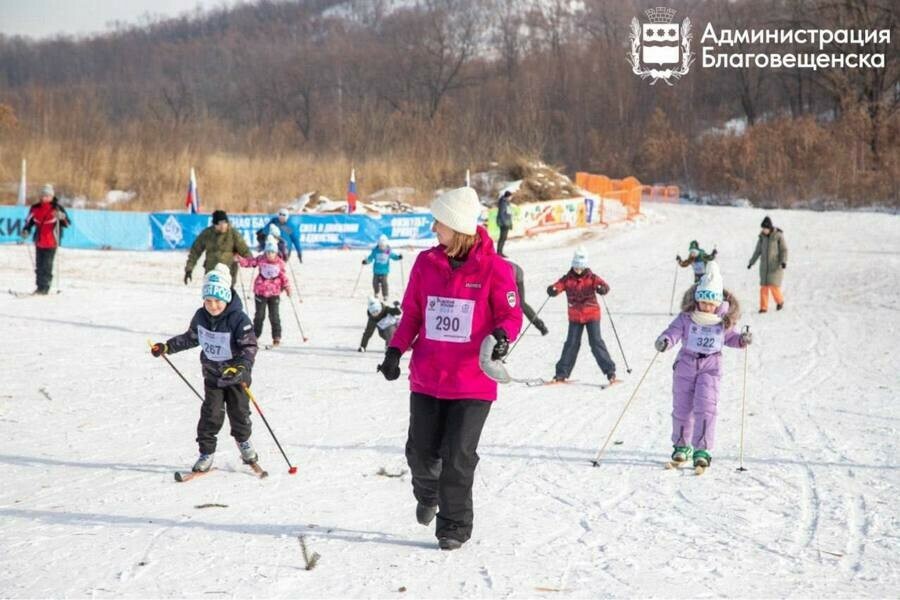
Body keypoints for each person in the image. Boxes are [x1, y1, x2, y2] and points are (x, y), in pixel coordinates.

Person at [376, 186, 523, 551]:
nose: (433, 229)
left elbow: (510, 313)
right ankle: (428, 494)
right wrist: (395, 350)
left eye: (438, 223)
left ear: (456, 226)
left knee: (458, 456)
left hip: (472, 382)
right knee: (420, 453)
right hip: (427, 377)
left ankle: (453, 526)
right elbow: (412, 314)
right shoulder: (426, 263)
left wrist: (502, 335)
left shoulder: (494, 268)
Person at [150, 264, 259, 473]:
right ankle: (206, 453)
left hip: (237, 379)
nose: (213, 305)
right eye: (208, 300)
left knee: (240, 414)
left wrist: (240, 368)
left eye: (217, 300)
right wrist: (167, 347)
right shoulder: (201, 316)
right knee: (211, 415)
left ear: (226, 298)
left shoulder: (239, 319)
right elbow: (190, 338)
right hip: (212, 377)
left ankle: (244, 443)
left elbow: (249, 347)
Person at [654, 262, 752, 469]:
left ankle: (702, 449)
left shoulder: (722, 320)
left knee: (706, 407)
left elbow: (731, 338)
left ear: (717, 302)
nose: (706, 306)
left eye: (711, 303)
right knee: (682, 407)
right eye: (703, 301)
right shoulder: (687, 317)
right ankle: (682, 447)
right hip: (685, 365)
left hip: (711, 366)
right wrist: (665, 340)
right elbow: (674, 332)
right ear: (697, 299)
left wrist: (742, 340)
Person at [546, 247, 617, 385]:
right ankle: (561, 374)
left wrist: (602, 289)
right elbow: (558, 286)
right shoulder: (567, 279)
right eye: (576, 267)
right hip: (575, 317)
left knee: (596, 343)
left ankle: (610, 372)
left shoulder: (592, 278)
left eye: (581, 267)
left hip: (592, 315)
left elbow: (605, 286)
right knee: (571, 344)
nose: (578, 270)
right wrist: (552, 290)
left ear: (585, 266)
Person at [237, 237, 292, 347]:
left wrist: (287, 287)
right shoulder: (261, 259)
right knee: (259, 315)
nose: (269, 254)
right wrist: (239, 259)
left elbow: (283, 276)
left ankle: (276, 337)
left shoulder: (280, 263)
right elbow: (249, 262)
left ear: (276, 252)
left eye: (272, 252)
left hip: (274, 294)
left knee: (274, 316)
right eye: (267, 252)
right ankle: (255, 335)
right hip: (260, 292)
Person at [21, 183, 70, 295]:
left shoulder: (57, 208)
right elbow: (29, 222)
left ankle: (45, 288)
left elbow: (66, 223)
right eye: (43, 195)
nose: (45, 197)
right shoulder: (35, 208)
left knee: (47, 266)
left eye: (48, 195)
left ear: (52, 196)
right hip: (39, 241)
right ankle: (39, 287)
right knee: (39, 265)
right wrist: (26, 230)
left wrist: (61, 217)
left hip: (51, 241)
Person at [185, 210, 251, 284]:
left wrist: (252, 261)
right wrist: (189, 269)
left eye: (224, 223)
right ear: (215, 224)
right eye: (220, 223)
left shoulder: (233, 234)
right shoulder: (207, 234)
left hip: (228, 274)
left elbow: (244, 250)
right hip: (211, 273)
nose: (223, 226)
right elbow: (195, 251)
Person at [747, 215, 788, 313]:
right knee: (764, 287)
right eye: (763, 228)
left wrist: (783, 261)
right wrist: (751, 263)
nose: (764, 230)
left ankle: (780, 301)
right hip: (764, 267)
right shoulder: (762, 238)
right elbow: (757, 252)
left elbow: (784, 250)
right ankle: (763, 307)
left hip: (775, 266)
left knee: (773, 286)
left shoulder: (778, 236)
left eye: (765, 228)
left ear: (769, 228)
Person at [506, 259, 548, 335]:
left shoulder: (496, 268)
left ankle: (539, 325)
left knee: (521, 304)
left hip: (516, 275)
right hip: (509, 275)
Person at [362, 234, 402, 300]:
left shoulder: (388, 251)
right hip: (376, 271)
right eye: (380, 246)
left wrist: (398, 257)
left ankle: (385, 295)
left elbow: (394, 256)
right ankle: (376, 293)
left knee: (384, 283)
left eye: (383, 246)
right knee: (375, 282)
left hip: (384, 271)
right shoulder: (375, 251)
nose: (382, 247)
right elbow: (370, 258)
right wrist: (366, 261)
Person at [496, 190, 512, 257]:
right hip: (504, 223)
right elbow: (501, 213)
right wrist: (505, 222)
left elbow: (508, 213)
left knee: (504, 238)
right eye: (511, 196)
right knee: (502, 237)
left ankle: (500, 251)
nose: (511, 198)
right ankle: (499, 252)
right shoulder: (503, 202)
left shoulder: (507, 202)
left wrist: (510, 223)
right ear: (508, 196)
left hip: (506, 222)